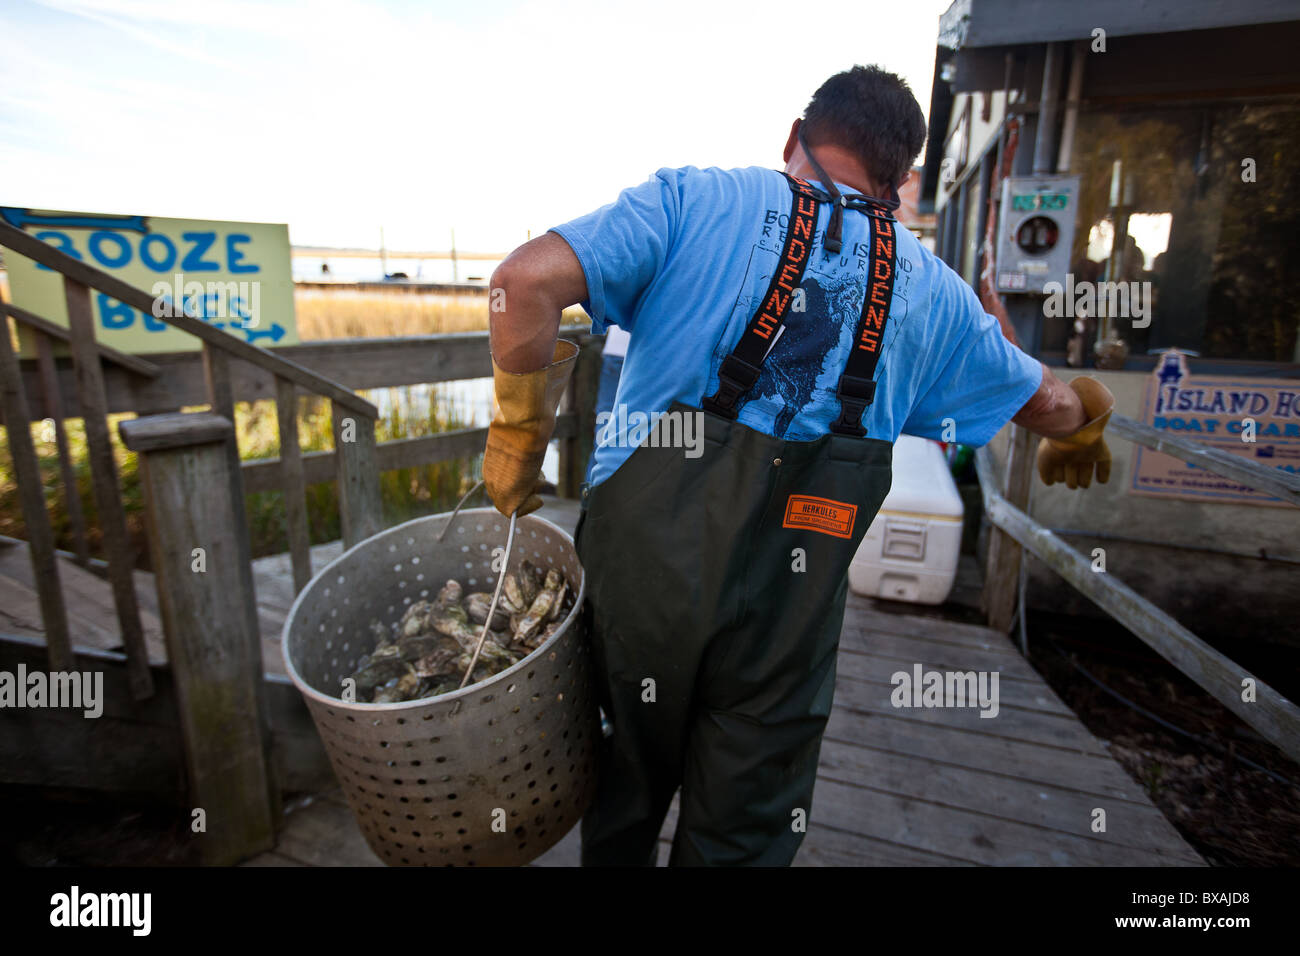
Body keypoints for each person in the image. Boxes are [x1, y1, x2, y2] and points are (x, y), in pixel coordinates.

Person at [482, 65, 1114, 866]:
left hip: (645, 581)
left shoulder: (696, 200)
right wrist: (1083, 422)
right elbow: (1049, 401)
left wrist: (517, 432)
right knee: (751, 811)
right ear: (902, 179)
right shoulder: (937, 293)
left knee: (624, 773)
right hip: (793, 596)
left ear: (795, 140)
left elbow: (522, 284)